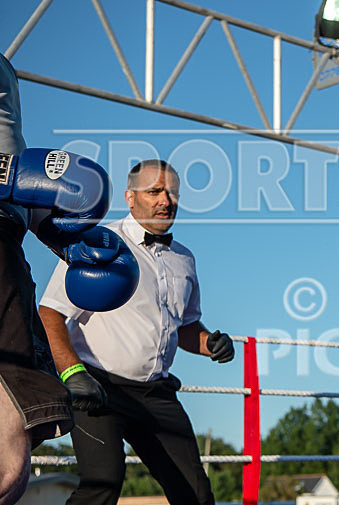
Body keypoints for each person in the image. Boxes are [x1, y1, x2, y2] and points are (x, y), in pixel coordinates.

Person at [38, 159, 235, 505]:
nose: (165, 200)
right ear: (130, 197)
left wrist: (210, 343)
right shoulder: (98, 241)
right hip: (99, 388)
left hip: (157, 394)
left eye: (172, 193)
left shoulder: (184, 259)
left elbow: (185, 326)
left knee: (197, 494)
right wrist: (72, 372)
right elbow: (50, 311)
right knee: (103, 485)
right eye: (155, 191)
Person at [0, 54, 138, 504]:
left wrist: (60, 235)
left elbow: (11, 162)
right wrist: (7, 176)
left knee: (10, 455)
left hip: (4, 249)